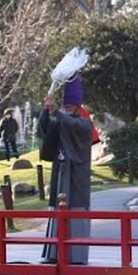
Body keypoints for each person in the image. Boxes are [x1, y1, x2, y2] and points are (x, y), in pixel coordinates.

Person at [38, 77, 93, 265]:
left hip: (76, 175)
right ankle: (53, 253)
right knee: (57, 209)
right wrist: (46, 110)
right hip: (60, 170)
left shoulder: (85, 124)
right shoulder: (62, 120)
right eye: (65, 106)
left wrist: (58, 113)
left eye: (70, 107)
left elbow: (72, 124)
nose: (67, 110)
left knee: (75, 209)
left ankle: (76, 256)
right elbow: (46, 128)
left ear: (78, 108)